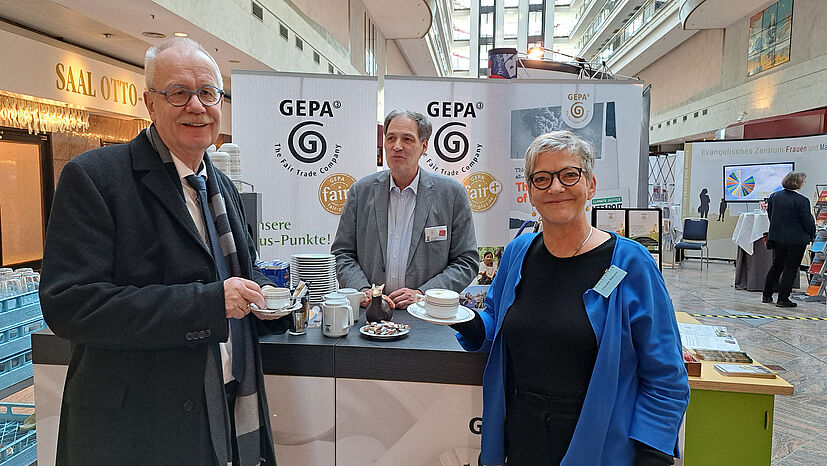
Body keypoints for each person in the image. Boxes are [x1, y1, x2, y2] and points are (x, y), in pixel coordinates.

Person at [39, 38, 282, 465]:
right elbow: (70, 305)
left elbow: (225, 273)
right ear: (150, 103)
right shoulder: (95, 177)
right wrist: (209, 303)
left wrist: (265, 297)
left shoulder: (221, 186)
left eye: (208, 92)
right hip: (137, 430)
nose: (197, 106)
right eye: (178, 93)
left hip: (221, 413)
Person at [451, 131, 689, 465]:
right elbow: (497, 318)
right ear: (530, 192)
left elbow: (665, 375)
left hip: (600, 442)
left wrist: (653, 452)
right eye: (542, 179)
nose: (556, 188)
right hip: (522, 438)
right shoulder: (519, 252)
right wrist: (469, 322)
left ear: (590, 185)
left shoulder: (631, 263)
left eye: (569, 175)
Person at [331, 109, 478, 309]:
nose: (397, 146)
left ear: (423, 146)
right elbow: (342, 253)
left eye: (407, 139)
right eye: (391, 138)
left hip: (427, 315)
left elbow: (466, 261)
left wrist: (423, 294)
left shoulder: (451, 194)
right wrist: (363, 291)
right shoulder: (361, 191)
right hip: (370, 315)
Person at [762, 171, 816, 307]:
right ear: (798, 183)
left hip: (777, 237)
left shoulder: (774, 196)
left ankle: (767, 295)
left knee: (776, 266)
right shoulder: (802, 201)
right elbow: (807, 222)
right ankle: (783, 299)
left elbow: (770, 215)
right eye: (803, 181)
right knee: (791, 268)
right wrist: (812, 234)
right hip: (796, 240)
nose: (804, 183)